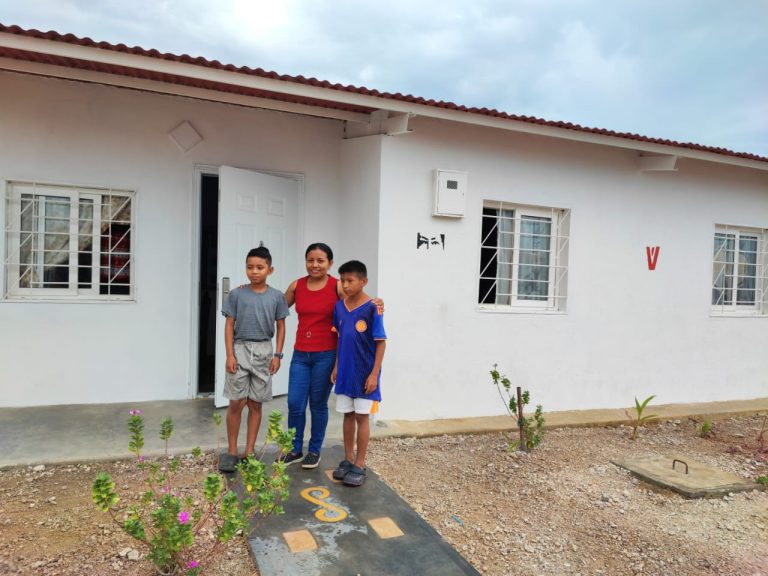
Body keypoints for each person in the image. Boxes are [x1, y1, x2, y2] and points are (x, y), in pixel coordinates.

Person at [219, 246, 289, 473]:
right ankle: (232, 451)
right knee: (236, 402)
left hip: (264, 351)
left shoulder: (277, 296)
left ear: (270, 270)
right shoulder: (237, 294)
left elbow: (281, 326)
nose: (254, 272)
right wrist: (230, 354)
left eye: (260, 267)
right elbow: (229, 324)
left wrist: (277, 355)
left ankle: (249, 452)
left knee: (255, 403)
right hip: (239, 348)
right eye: (250, 267)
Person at [280, 243, 341, 469]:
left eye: (320, 261)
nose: (315, 265)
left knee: (317, 404)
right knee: (295, 403)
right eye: (310, 260)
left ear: (330, 263)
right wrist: (249, 290)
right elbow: (275, 307)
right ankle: (295, 449)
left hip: (326, 355)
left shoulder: (337, 286)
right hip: (300, 355)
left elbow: (356, 307)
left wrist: (376, 304)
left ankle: (314, 451)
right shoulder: (297, 285)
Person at [330, 260, 386, 487]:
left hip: (365, 374)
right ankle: (348, 459)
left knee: (362, 417)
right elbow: (339, 338)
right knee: (347, 415)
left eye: (350, 281)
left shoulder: (373, 307)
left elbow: (381, 343)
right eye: (342, 280)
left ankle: (360, 464)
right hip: (345, 372)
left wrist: (374, 374)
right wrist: (336, 366)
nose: (345, 285)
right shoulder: (339, 307)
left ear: (364, 281)